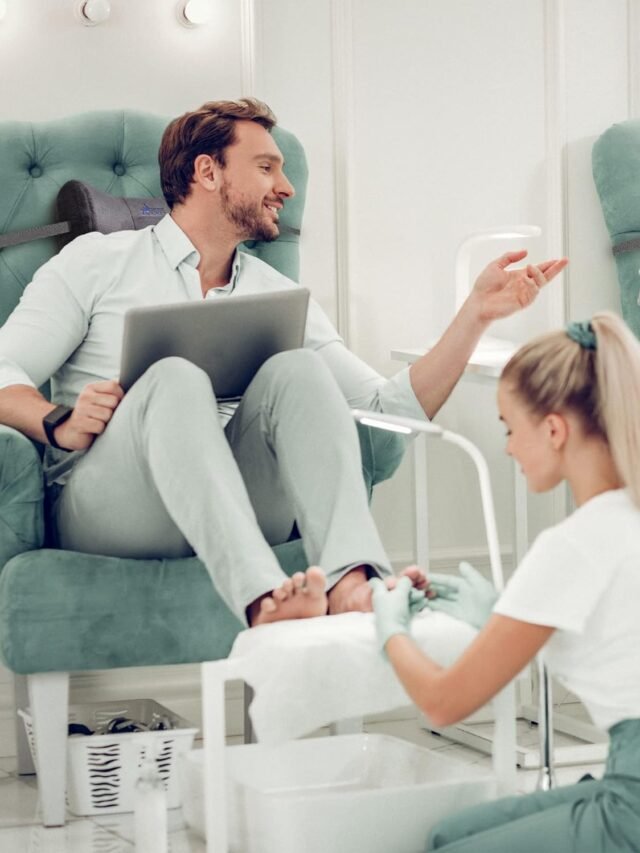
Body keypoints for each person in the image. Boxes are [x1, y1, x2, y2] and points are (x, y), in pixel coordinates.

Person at [0, 97, 566, 628]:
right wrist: (58, 419)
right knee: (171, 376)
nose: (286, 187)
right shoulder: (97, 262)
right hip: (112, 508)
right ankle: (260, 597)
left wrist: (475, 315)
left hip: (241, 505)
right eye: (268, 168)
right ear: (207, 171)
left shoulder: (276, 294)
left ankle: (351, 581)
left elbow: (383, 413)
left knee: (299, 367)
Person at [370, 310, 640, 852]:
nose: (509, 448)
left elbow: (443, 704)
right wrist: (498, 616)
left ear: (555, 429)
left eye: (510, 428)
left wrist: (390, 627)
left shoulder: (571, 546)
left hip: (632, 801)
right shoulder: (623, 520)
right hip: (625, 774)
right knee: (449, 835)